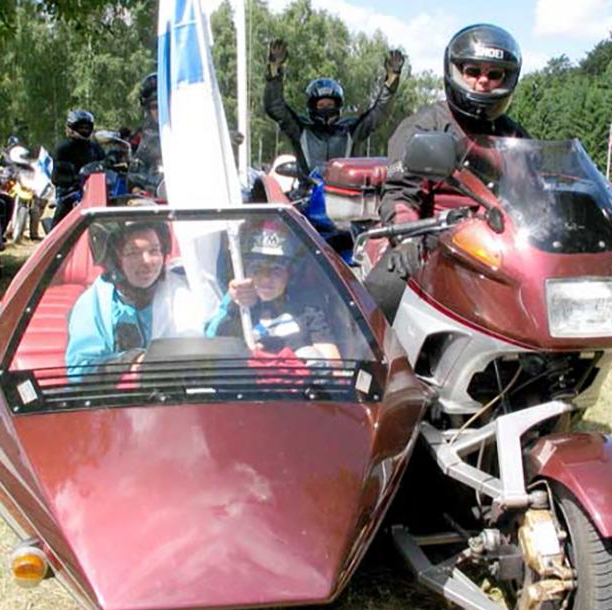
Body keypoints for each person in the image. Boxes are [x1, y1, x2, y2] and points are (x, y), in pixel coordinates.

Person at [366, 23, 530, 321]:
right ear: (455, 72)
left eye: (494, 74)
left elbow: (535, 192)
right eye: (473, 71)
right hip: (434, 241)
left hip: (499, 247)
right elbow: (400, 193)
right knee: (379, 297)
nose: (483, 81)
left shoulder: (514, 136)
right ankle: (362, 347)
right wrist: (407, 238)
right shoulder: (424, 127)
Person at [65, 220, 207, 379]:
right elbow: (79, 372)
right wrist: (129, 361)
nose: (147, 261)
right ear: (114, 259)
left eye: (154, 250)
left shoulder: (184, 290)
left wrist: (229, 305)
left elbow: (214, 342)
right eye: (133, 253)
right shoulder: (94, 305)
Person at [263, 39, 404, 178]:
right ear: (312, 107)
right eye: (321, 105)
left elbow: (379, 113)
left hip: (347, 189)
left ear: (338, 106)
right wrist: (274, 69)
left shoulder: (351, 130)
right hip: (308, 188)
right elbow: (275, 107)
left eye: (330, 105)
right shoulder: (300, 128)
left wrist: (391, 80)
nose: (326, 109)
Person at [205, 222, 341, 361]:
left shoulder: (307, 308)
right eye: (257, 268)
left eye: (276, 269)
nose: (265, 278)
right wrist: (235, 306)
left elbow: (332, 362)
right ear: (245, 272)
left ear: (290, 273)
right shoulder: (235, 305)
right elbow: (213, 346)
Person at [51, 109, 105, 227]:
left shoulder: (95, 147)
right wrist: (72, 177)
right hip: (71, 190)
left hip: (94, 189)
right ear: (71, 127)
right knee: (62, 212)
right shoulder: (64, 147)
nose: (84, 130)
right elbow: (57, 174)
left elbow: (104, 163)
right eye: (81, 127)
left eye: (86, 127)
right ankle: (55, 234)